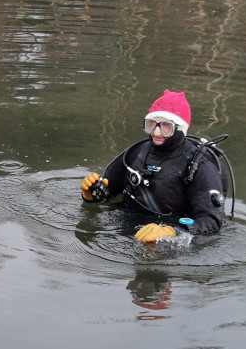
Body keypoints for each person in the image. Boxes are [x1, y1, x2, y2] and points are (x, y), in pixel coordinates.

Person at [80, 90, 225, 241]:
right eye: (152, 125)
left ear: (180, 128)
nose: (156, 132)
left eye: (166, 126)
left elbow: (212, 222)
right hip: (122, 233)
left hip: (167, 245)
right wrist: (90, 195)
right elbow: (106, 191)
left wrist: (170, 232)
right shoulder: (136, 152)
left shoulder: (200, 166)